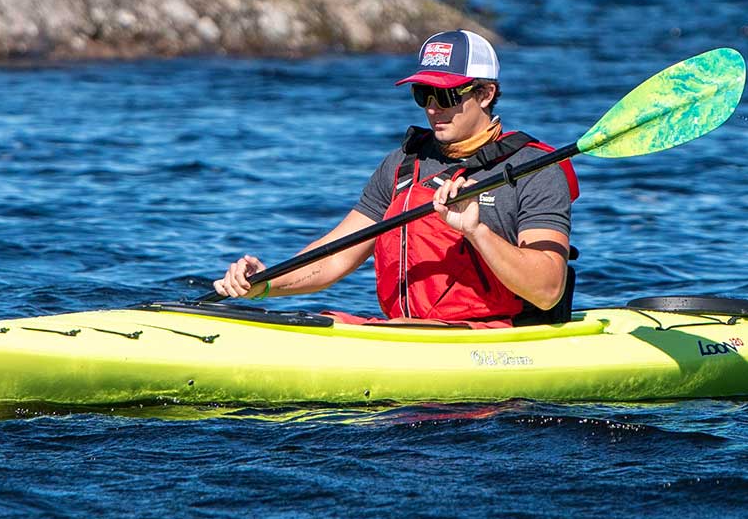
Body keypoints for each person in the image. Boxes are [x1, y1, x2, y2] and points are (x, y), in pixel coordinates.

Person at [210, 30, 578, 328]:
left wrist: (476, 231)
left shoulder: (534, 169)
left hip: (494, 339)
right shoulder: (403, 164)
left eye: (446, 94)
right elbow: (335, 259)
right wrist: (264, 282)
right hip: (406, 332)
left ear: (485, 94)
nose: (433, 108)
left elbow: (547, 290)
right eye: (423, 94)